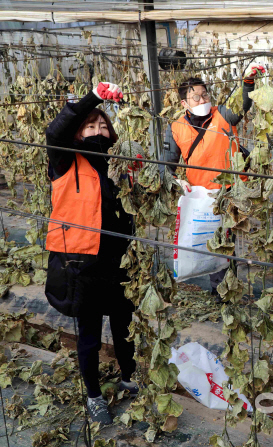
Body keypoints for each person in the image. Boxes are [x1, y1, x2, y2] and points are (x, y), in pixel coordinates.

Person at [45, 82, 138, 426]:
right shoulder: (65, 160)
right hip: (81, 261)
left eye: (103, 125)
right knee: (88, 334)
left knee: (123, 322)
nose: (98, 130)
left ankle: (128, 376)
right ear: (78, 132)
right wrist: (93, 99)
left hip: (118, 260)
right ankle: (94, 394)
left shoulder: (119, 163)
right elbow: (56, 132)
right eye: (90, 126)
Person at [162, 64, 266, 293]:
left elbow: (243, 105)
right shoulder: (176, 128)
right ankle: (216, 284)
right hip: (199, 198)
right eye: (195, 97)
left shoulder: (223, 114)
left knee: (224, 244)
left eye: (205, 94)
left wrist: (248, 82)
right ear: (184, 103)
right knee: (203, 241)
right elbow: (167, 165)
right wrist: (177, 182)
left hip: (228, 195)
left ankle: (223, 291)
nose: (202, 100)